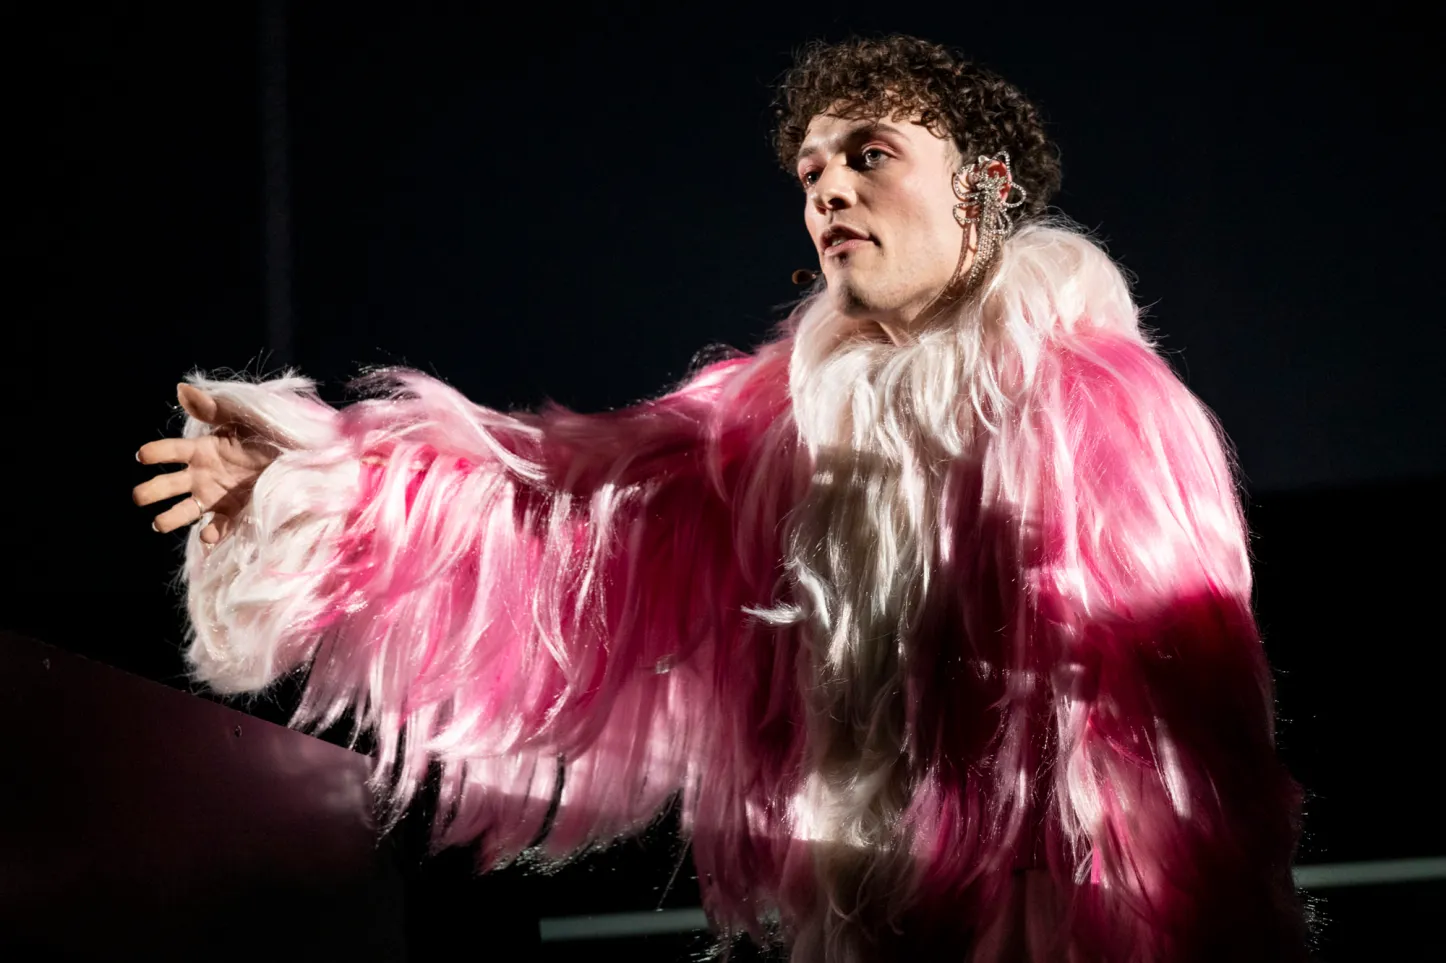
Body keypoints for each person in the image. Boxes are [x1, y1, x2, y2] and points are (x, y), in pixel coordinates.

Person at [133, 35, 1310, 963]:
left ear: (983, 187)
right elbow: (565, 506)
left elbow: (1178, 749)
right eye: (811, 173)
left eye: (870, 154)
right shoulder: (769, 427)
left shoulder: (1097, 397)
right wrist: (314, 477)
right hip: (871, 924)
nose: (829, 190)